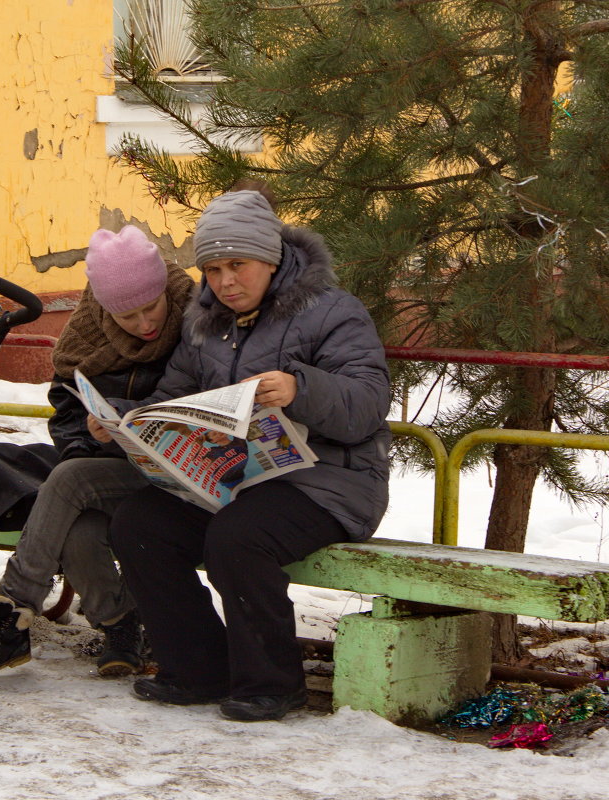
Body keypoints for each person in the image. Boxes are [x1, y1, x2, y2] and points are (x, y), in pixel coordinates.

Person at [95, 184, 391, 720]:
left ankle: (272, 683)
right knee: (138, 524)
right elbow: (175, 399)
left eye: (238, 264)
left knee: (238, 536)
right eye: (212, 270)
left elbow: (368, 404)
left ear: (271, 258)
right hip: (235, 480)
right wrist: (126, 422)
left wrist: (303, 389)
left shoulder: (333, 312)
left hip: (332, 484)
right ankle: (197, 669)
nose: (225, 282)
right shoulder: (206, 323)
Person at [0, 225, 195, 676]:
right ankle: (121, 625)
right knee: (78, 530)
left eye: (151, 308)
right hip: (115, 471)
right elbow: (67, 411)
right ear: (105, 310)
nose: (145, 324)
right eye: (127, 317)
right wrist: (89, 437)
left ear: (163, 291)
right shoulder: (85, 337)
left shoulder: (195, 322)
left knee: (69, 481)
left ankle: (15, 604)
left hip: (184, 473)